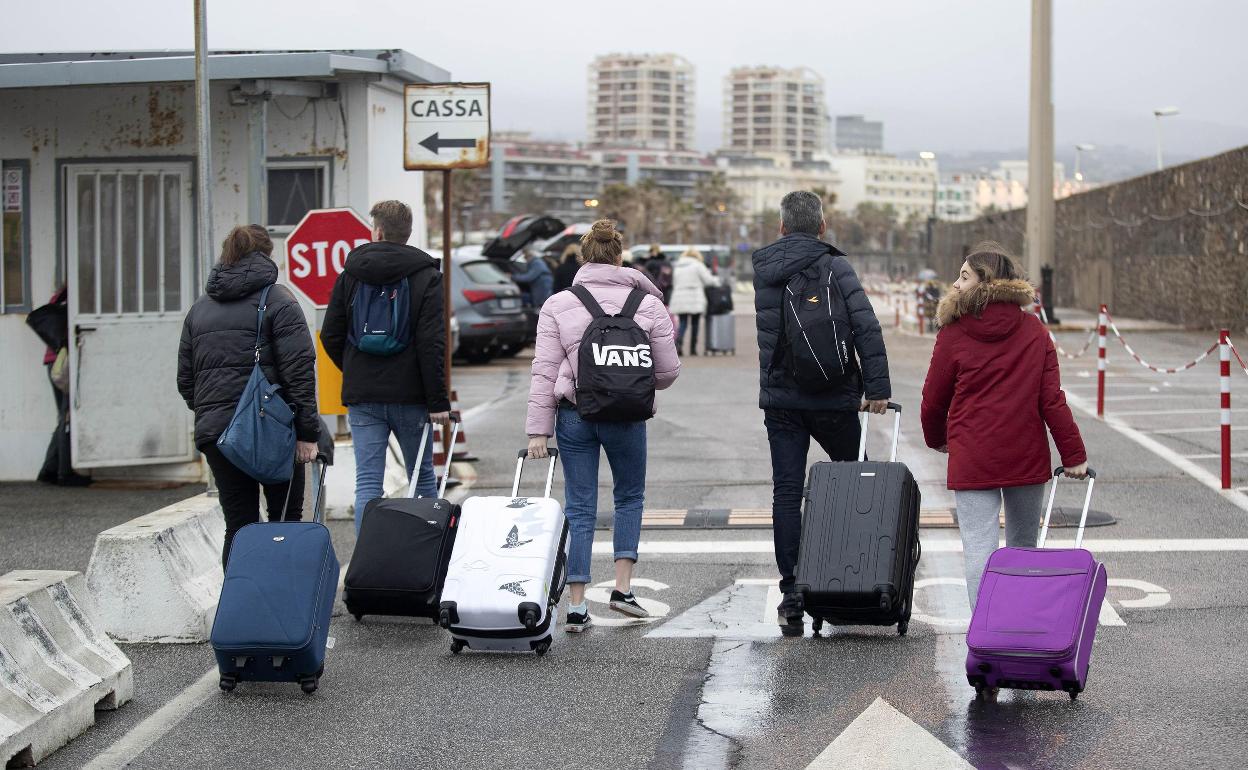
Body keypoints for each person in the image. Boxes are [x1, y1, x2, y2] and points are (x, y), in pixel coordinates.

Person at [525, 220, 680, 633]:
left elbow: (543, 372)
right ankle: (623, 590)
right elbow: (667, 372)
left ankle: (576, 604)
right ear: (620, 256)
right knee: (629, 497)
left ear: (583, 257)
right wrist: (632, 376)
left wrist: (538, 430)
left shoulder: (559, 303)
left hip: (575, 415)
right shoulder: (648, 304)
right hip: (627, 415)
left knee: (579, 505)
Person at [920, 243, 1088, 609]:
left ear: (985, 282)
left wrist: (938, 438)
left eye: (964, 276)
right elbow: (1051, 400)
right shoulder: (1035, 331)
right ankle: (1018, 628)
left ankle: (983, 635)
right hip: (1025, 455)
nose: (955, 283)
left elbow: (934, 398)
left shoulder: (954, 333)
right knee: (1023, 547)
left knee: (979, 546)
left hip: (972, 455)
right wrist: (1073, 455)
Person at [753, 190, 891, 635]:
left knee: (787, 493)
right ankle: (859, 575)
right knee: (857, 483)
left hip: (782, 401)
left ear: (781, 227)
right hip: (836, 396)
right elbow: (866, 327)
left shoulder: (764, 271)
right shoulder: (837, 265)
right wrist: (877, 389)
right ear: (822, 227)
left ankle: (792, 591)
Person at [177, 225, 321, 566]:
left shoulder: (199, 308)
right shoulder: (279, 300)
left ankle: (240, 608)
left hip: (218, 434)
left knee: (238, 526)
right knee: (284, 521)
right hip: (271, 430)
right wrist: (307, 433)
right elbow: (299, 371)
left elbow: (186, 381)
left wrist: (216, 414)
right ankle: (282, 607)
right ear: (267, 255)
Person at [321, 200, 450, 534]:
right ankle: (428, 555)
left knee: (368, 484)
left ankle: (367, 559)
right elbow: (431, 342)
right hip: (411, 395)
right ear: (407, 233)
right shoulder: (427, 276)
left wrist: (353, 368)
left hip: (364, 395)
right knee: (421, 479)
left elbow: (332, 334)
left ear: (376, 231)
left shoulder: (350, 274)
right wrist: (437, 401)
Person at [35, 286, 91, 487]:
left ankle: (49, 469)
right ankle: (63, 472)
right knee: (67, 416)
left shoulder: (57, 298)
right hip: (64, 363)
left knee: (63, 416)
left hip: (54, 362)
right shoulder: (74, 299)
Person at [669, 247, 718, 355]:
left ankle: (679, 345)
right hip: (694, 297)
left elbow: (674, 282)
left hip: (680, 297)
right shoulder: (698, 265)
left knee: (682, 323)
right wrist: (718, 281)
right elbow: (708, 280)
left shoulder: (677, 266)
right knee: (695, 324)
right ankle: (692, 349)